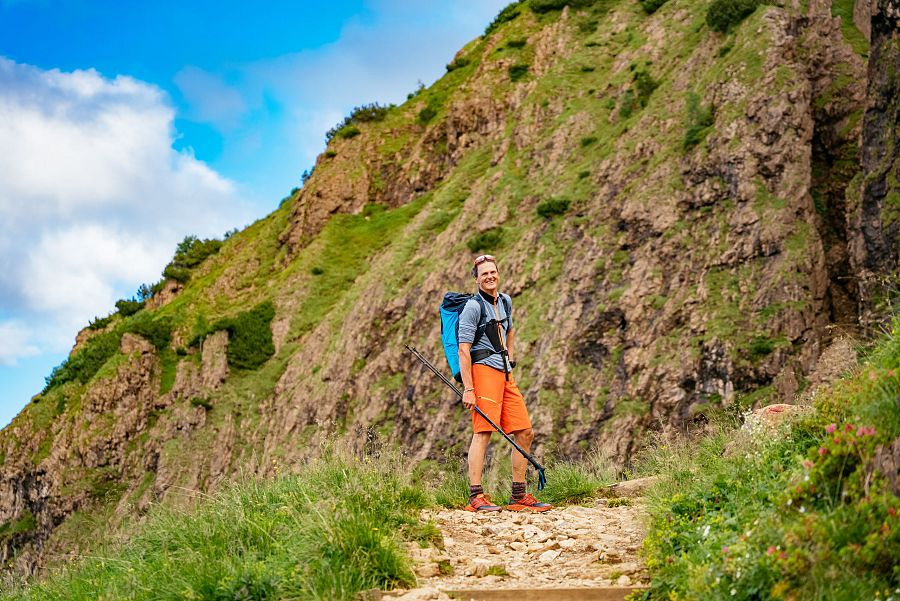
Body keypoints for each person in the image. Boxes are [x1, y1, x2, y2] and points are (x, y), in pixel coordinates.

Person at [457, 254, 552, 513]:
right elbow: (463, 349)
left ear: (498, 274)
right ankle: (476, 496)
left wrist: (510, 356)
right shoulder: (473, 307)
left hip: (505, 372)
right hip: (483, 371)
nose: (489, 276)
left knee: (525, 431)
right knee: (483, 431)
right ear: (476, 279)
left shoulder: (506, 301)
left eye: (493, 272)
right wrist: (469, 388)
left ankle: (518, 496)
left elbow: (510, 329)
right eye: (484, 273)